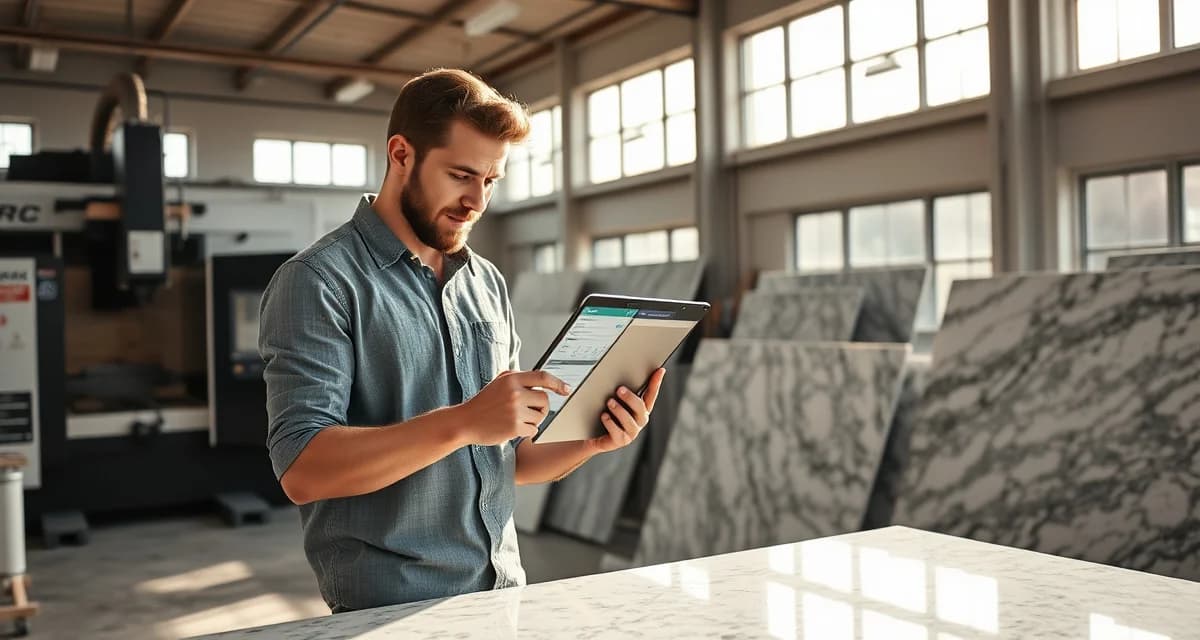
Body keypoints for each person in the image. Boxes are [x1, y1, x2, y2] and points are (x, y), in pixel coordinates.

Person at [258, 68, 666, 613]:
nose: (477, 200)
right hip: (387, 612)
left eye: (491, 181)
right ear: (401, 155)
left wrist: (593, 442)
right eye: (460, 175)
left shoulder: (486, 282)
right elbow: (304, 469)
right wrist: (466, 420)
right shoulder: (319, 281)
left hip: (502, 597)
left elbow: (509, 459)